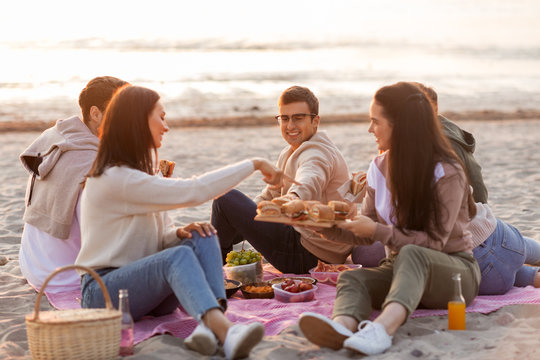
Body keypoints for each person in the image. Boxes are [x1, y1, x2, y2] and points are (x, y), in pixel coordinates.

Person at [75, 85, 292, 359]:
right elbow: (196, 190)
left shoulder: (137, 174)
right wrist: (255, 163)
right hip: (103, 294)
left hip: (145, 291)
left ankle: (210, 325)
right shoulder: (116, 179)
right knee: (176, 256)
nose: (166, 127)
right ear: (138, 121)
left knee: (203, 234)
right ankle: (225, 332)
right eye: (161, 117)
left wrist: (176, 233)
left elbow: (144, 241)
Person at [298, 81, 480, 355]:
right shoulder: (379, 167)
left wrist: (378, 231)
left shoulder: (447, 171)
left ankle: (382, 329)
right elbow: (366, 230)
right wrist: (323, 228)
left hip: (454, 273)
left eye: (375, 121)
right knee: (352, 279)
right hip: (400, 270)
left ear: (400, 125)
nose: (370, 129)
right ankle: (342, 328)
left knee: (412, 253)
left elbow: (433, 243)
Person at [211, 85, 353, 274]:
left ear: (315, 121)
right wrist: (242, 216)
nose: (290, 125)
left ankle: (213, 272)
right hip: (305, 246)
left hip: (307, 254)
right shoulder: (290, 152)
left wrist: (293, 197)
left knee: (224, 198)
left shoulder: (318, 153)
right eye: (284, 118)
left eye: (298, 118)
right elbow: (268, 197)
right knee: (225, 215)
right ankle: (214, 257)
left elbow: (310, 178)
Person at [414, 83, 540, 295]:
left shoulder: (432, 150)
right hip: (496, 234)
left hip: (480, 251)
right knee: (518, 255)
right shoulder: (445, 134)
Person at [19, 76, 128, 293]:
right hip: (65, 277)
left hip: (32, 263)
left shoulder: (58, 138)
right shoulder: (92, 162)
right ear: (95, 113)